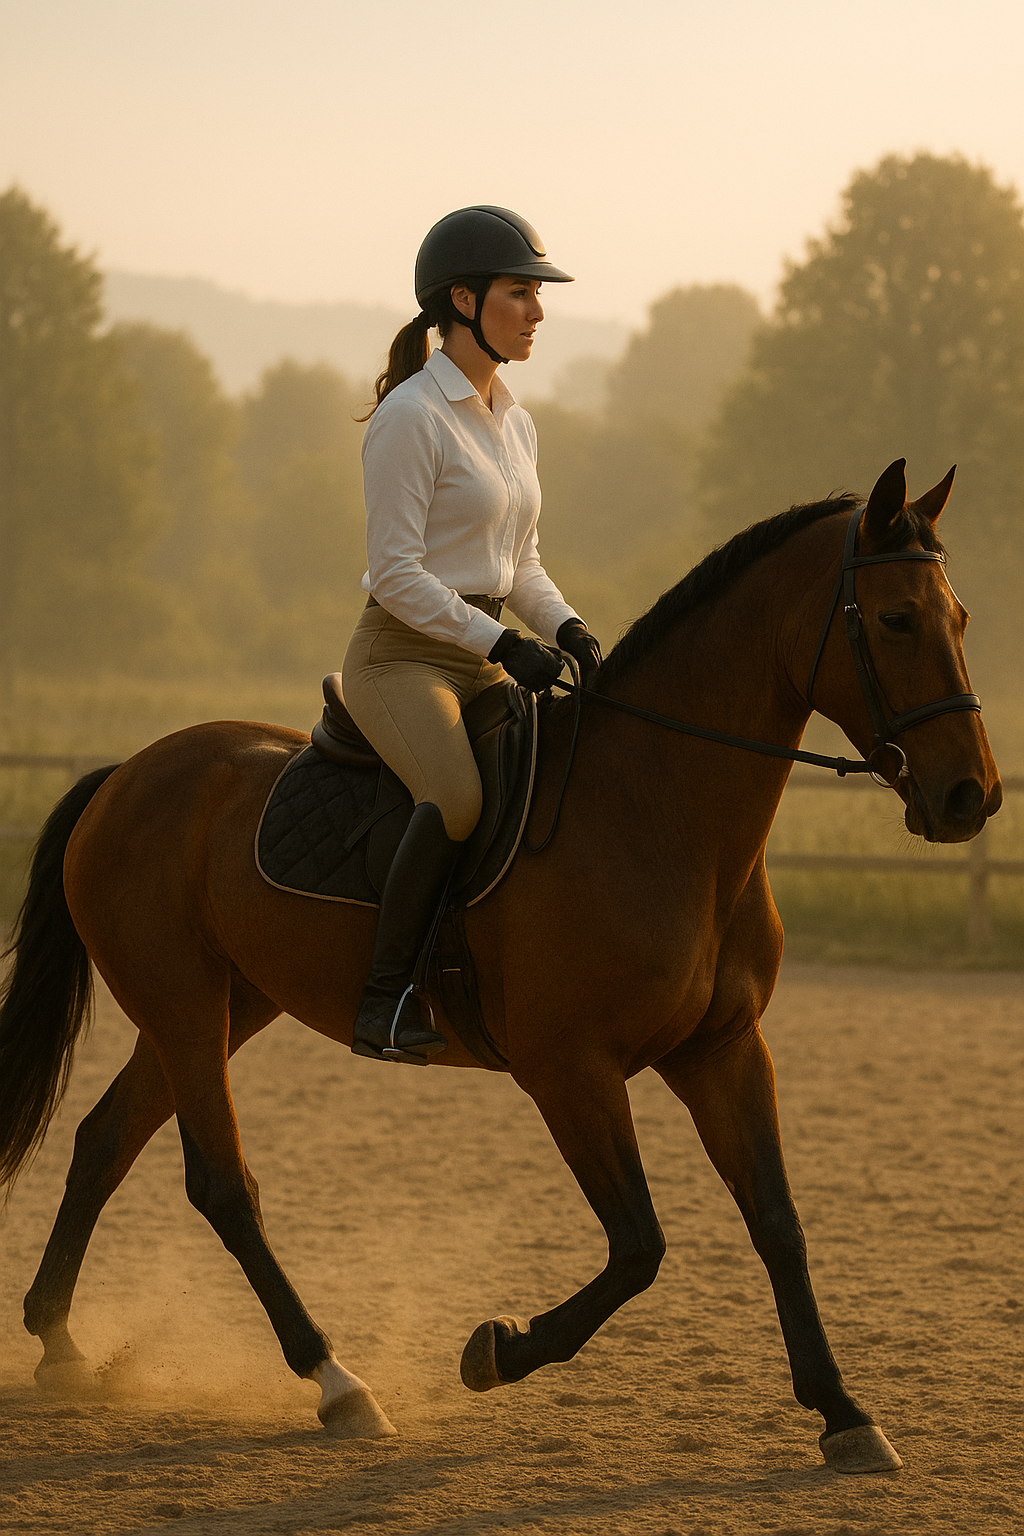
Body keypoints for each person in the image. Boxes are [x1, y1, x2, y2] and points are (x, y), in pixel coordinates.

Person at [343, 205, 602, 1065]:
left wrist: (566, 627)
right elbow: (398, 574)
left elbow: (519, 561)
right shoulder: (412, 417)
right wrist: (500, 648)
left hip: (483, 653)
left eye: (538, 294)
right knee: (456, 798)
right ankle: (383, 1001)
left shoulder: (515, 421)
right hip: (400, 655)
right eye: (520, 292)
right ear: (462, 299)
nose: (537, 311)